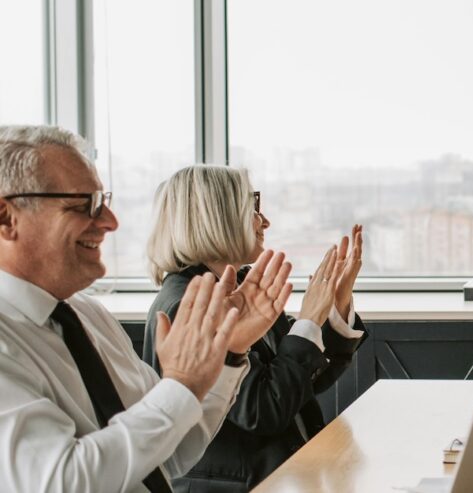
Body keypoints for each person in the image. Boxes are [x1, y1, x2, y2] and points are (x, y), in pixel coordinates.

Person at [0, 125, 292, 492]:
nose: (110, 222)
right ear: (6, 218)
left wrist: (230, 354)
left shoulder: (90, 316)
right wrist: (180, 385)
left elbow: (171, 453)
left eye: (103, 201)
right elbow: (63, 481)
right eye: (85, 205)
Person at [144, 164, 368, 491]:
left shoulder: (244, 283)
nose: (265, 221)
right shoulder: (188, 305)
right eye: (252, 207)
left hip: (286, 476)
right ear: (217, 217)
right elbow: (263, 410)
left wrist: (335, 305)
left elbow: (300, 380)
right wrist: (308, 321)